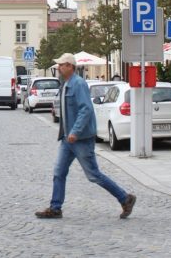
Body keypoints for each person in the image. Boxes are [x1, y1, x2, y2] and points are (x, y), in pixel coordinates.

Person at [35, 53, 136, 220]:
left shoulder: (78, 84)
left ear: (69, 66)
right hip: (67, 139)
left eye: (61, 65)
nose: (59, 68)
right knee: (59, 172)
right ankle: (55, 208)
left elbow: (86, 110)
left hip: (80, 139)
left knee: (93, 175)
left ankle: (125, 198)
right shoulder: (66, 84)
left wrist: (75, 131)